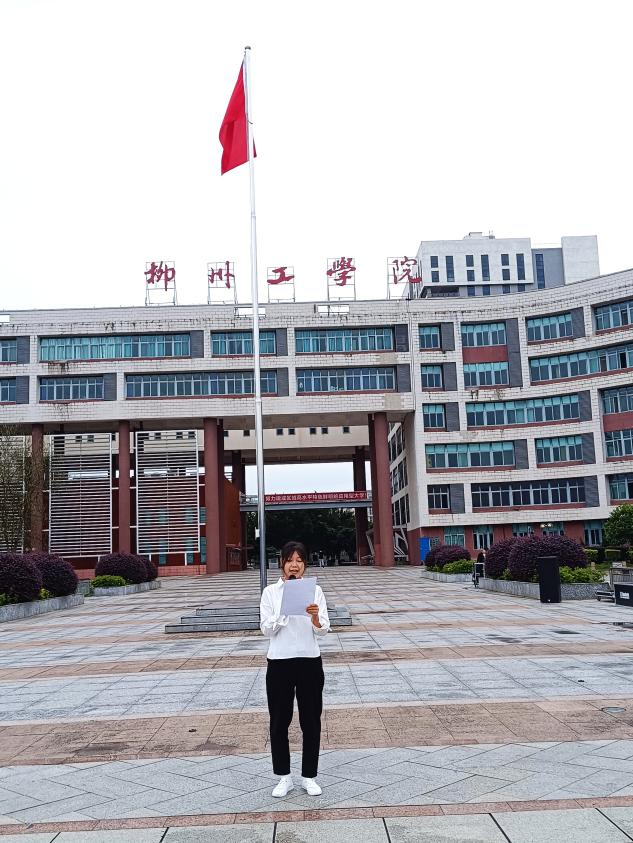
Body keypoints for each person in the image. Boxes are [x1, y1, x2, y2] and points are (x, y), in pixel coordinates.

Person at [260, 540, 330, 798]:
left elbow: (323, 630)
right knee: (279, 721)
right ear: (282, 563)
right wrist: (284, 612)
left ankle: (309, 777)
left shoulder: (315, 591)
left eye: (299, 561)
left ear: (305, 565)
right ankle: (284, 777)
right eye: (290, 560)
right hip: (279, 662)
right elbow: (265, 629)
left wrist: (315, 617)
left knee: (310, 720)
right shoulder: (270, 593)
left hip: (309, 660)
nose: (294, 565)